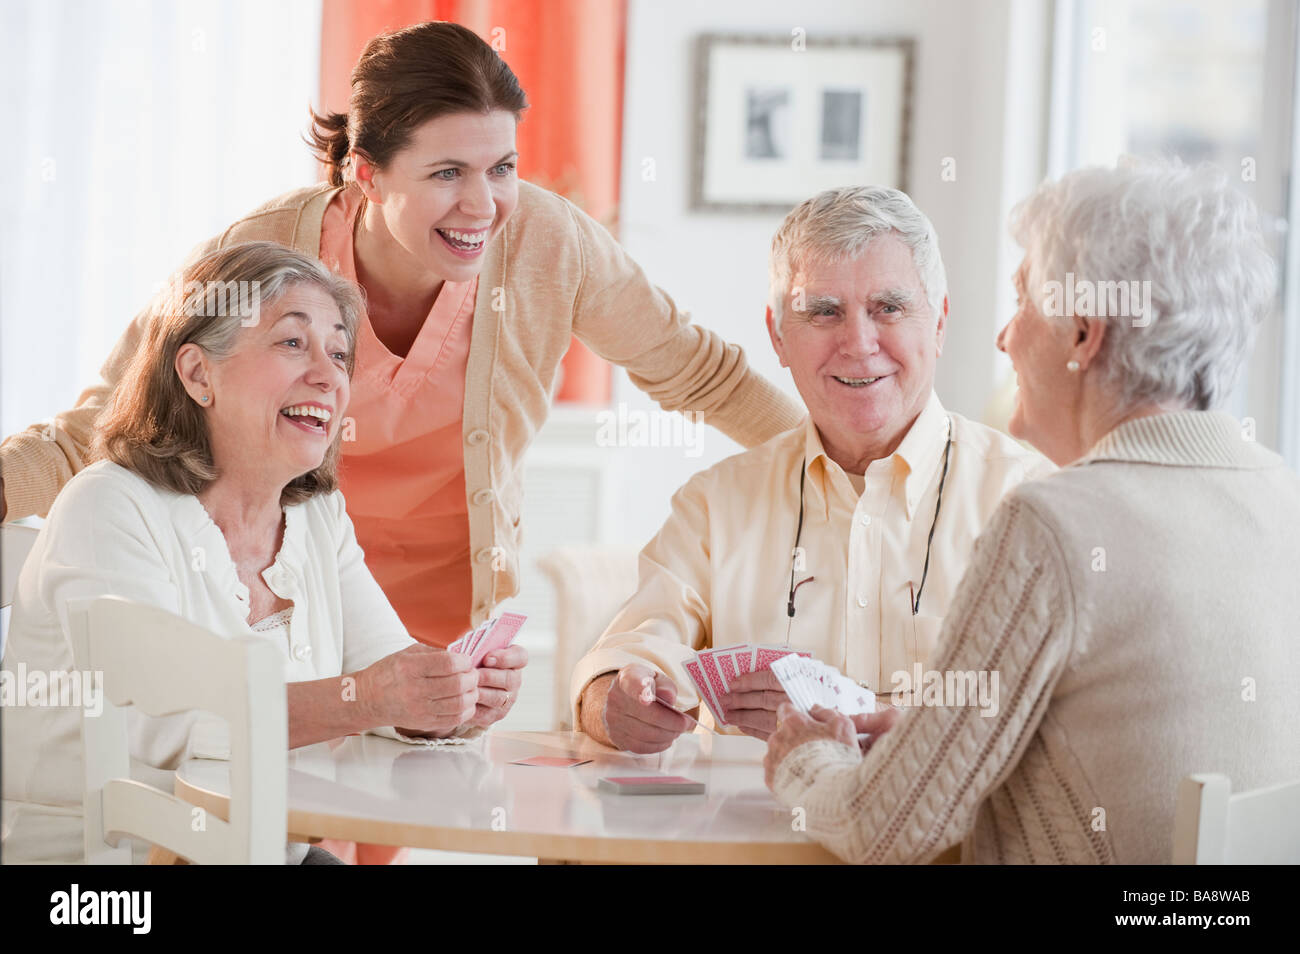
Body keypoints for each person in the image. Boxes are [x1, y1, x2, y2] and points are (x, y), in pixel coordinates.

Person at [0, 21, 801, 862]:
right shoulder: (263, 259)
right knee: (271, 819)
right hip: (266, 583)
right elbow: (100, 430)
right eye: (447, 172)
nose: (483, 204)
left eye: (502, 168)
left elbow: (699, 373)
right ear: (367, 171)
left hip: (399, 609)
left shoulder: (547, 247)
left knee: (349, 828)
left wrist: (831, 464)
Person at [763, 159, 1300, 864]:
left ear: (1083, 334)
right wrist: (933, 734)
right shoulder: (1280, 494)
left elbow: (882, 829)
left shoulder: (1054, 524)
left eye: (1023, 301)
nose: (1005, 337)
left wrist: (804, 759)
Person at [1, 242, 511, 864]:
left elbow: (384, 670)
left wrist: (449, 696)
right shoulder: (109, 506)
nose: (328, 374)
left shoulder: (317, 518)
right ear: (197, 375)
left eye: (341, 352)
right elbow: (165, 725)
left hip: (262, 852)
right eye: (292, 343)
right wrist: (373, 696)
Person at [571, 186, 1053, 753]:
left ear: (940, 322)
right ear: (778, 335)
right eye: (824, 312)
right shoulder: (715, 504)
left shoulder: (1030, 497)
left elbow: (1051, 720)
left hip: (953, 845)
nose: (859, 343)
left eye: (889, 308)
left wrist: (853, 714)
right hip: (741, 841)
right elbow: (627, 654)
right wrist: (612, 705)